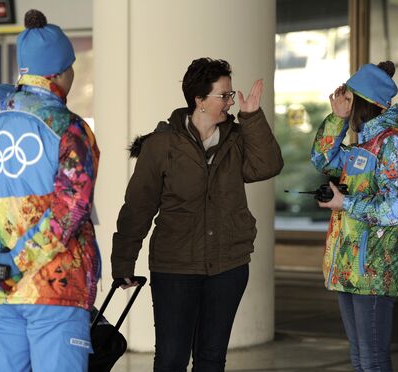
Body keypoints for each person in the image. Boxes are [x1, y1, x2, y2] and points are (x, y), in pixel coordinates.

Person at [0, 9, 100, 372]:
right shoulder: (68, 128)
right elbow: (70, 211)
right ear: (61, 72)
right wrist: (16, 263)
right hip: (54, 289)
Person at [111, 57, 284, 372]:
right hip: (175, 266)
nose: (231, 101)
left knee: (211, 358)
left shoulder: (235, 137)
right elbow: (139, 205)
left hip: (227, 265)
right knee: (171, 358)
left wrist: (252, 117)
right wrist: (123, 261)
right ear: (199, 100)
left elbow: (268, 166)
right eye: (225, 95)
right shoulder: (162, 144)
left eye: (231, 95)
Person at [310, 61, 398, 372]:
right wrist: (336, 120)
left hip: (373, 269)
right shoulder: (365, 144)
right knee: (360, 357)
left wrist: (346, 203)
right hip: (348, 266)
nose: (342, 103)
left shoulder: (393, 143)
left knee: (372, 359)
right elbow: (322, 158)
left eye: (348, 99)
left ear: (364, 102)